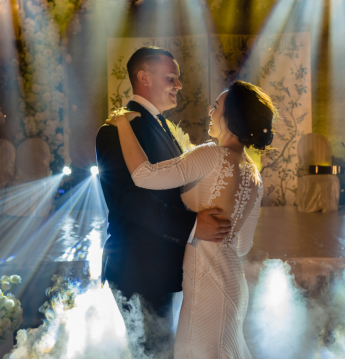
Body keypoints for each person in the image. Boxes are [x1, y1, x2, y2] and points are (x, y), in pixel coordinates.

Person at [108, 79, 277, 359]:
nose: (210, 112)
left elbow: (143, 175)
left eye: (216, 107)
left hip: (206, 285)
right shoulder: (253, 174)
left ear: (231, 116)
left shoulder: (210, 154)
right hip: (233, 284)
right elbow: (243, 245)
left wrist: (122, 123)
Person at [95, 47, 232, 355]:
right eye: (171, 78)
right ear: (144, 78)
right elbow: (129, 201)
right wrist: (193, 225)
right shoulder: (117, 129)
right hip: (138, 269)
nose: (179, 86)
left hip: (159, 267)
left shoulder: (162, 127)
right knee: (152, 353)